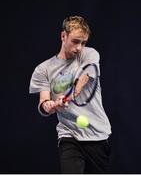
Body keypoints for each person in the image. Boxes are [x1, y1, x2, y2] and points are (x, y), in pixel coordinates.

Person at [29, 15, 112, 173]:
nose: (79, 47)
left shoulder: (90, 54)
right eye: (75, 41)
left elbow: (84, 78)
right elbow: (43, 103)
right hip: (69, 135)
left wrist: (69, 95)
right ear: (63, 36)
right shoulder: (43, 70)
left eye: (83, 42)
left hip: (98, 135)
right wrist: (50, 106)